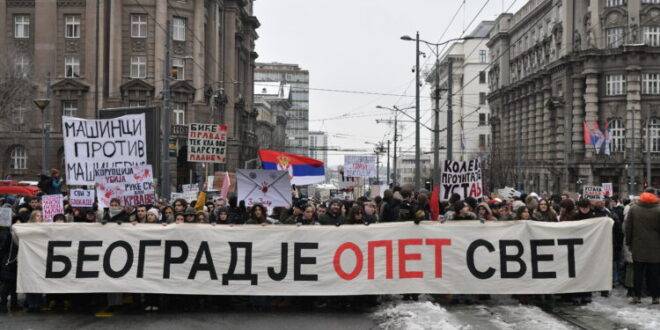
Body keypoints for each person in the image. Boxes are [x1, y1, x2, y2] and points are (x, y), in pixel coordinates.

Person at [625, 189, 660, 305]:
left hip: (638, 246)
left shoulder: (634, 209)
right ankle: (655, 296)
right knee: (654, 273)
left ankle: (637, 296)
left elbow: (628, 228)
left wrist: (629, 243)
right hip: (655, 248)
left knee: (638, 272)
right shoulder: (658, 210)